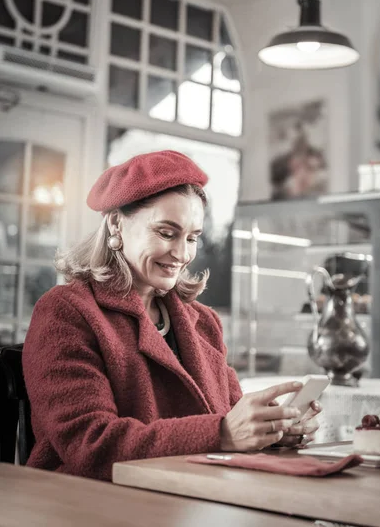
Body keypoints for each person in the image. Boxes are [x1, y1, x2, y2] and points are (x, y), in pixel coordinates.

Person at [23, 150, 321, 481]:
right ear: (116, 224)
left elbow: (234, 422)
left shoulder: (204, 322)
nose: (182, 254)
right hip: (94, 504)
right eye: (167, 233)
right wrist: (222, 433)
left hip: (193, 496)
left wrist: (273, 432)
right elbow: (90, 445)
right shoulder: (67, 311)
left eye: (192, 238)